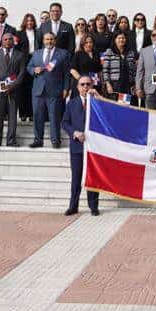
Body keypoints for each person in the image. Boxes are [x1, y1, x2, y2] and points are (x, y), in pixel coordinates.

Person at [60, 75, 100, 216]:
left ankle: (93, 206)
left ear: (92, 86)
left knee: (93, 177)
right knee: (76, 178)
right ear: (77, 87)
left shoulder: (97, 103)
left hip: (93, 148)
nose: (85, 87)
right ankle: (73, 206)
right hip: (77, 147)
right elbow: (64, 123)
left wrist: (99, 98)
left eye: (88, 84)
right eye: (82, 84)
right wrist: (74, 132)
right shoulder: (72, 103)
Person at [27, 32, 70, 148]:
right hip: (38, 90)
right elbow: (29, 67)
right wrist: (33, 70)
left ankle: (56, 140)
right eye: (47, 39)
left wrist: (66, 88)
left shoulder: (63, 54)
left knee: (54, 116)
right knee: (37, 116)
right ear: (43, 41)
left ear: (55, 40)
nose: (49, 42)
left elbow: (67, 73)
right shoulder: (36, 53)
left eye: (51, 39)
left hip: (55, 90)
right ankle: (38, 140)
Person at [0, 32, 26, 147]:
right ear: (2, 41)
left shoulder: (19, 55)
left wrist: (12, 86)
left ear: (13, 41)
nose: (7, 41)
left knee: (12, 117)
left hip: (13, 91)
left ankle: (11, 140)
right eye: (5, 39)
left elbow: (21, 73)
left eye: (10, 39)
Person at [101, 31, 139, 103]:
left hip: (128, 85)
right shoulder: (109, 52)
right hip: (114, 84)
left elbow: (134, 71)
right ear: (115, 40)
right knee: (115, 105)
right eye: (119, 38)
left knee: (126, 105)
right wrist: (108, 84)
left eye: (123, 38)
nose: (121, 40)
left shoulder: (131, 53)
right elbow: (105, 70)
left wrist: (135, 84)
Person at [16, 13, 41, 121]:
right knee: (22, 88)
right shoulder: (19, 33)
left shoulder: (38, 32)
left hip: (35, 60)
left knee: (33, 88)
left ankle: (31, 113)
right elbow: (16, 48)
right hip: (23, 61)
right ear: (24, 22)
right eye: (27, 21)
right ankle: (23, 113)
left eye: (31, 21)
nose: (29, 22)